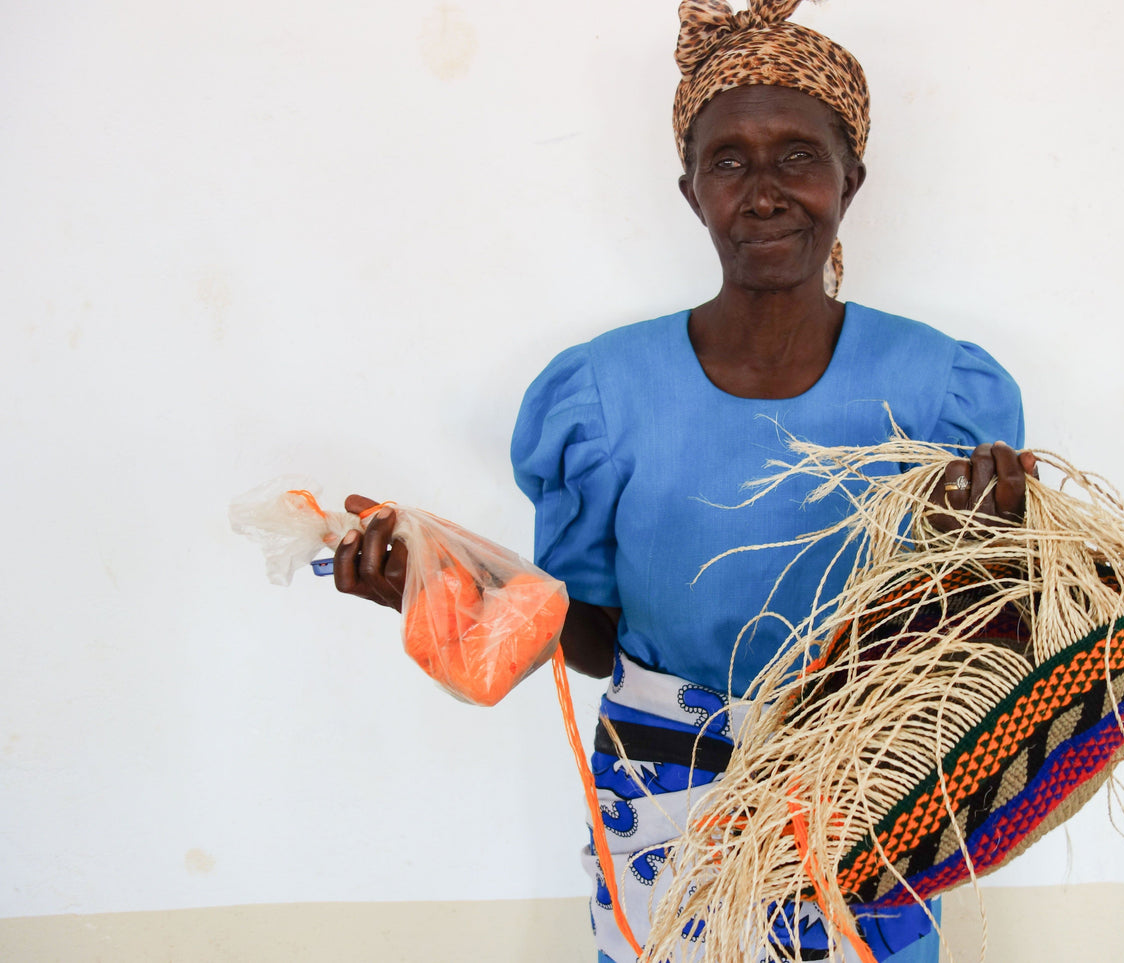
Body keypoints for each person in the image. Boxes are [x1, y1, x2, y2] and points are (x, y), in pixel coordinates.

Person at [334, 1, 1035, 959]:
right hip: (661, 813)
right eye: (728, 161)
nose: (764, 193)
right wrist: (440, 581)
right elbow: (588, 639)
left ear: (850, 178)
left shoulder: (942, 390)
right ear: (690, 189)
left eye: (798, 156)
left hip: (870, 811)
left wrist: (986, 563)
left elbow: (985, 652)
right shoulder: (599, 395)